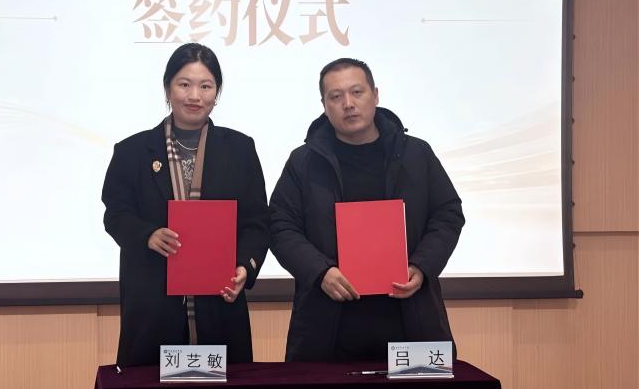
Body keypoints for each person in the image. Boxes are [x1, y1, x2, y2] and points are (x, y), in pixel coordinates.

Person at [269, 58, 464, 362]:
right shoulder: (304, 162)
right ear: (324, 105)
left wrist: (421, 266)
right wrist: (320, 272)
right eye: (336, 96)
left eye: (357, 92)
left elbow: (447, 214)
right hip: (327, 326)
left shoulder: (415, 153)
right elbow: (280, 225)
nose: (348, 104)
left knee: (425, 384)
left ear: (375, 95)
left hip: (411, 318)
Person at [102, 43, 270, 367]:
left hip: (220, 301)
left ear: (217, 92)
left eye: (206, 86)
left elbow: (257, 222)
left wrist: (244, 267)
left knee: (224, 379)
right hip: (153, 303)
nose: (195, 96)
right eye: (184, 84)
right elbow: (116, 214)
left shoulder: (240, 149)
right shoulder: (132, 151)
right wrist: (147, 234)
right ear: (168, 88)